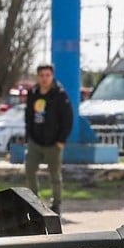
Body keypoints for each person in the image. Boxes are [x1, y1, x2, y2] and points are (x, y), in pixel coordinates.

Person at [23, 63, 73, 214]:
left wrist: (61, 140)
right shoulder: (33, 93)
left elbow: (68, 118)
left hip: (54, 143)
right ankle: (34, 202)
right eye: (41, 75)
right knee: (30, 170)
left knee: (55, 175)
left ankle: (56, 204)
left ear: (52, 76)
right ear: (37, 77)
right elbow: (28, 116)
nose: (44, 79)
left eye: (47, 75)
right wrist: (28, 136)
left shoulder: (60, 94)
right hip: (35, 141)